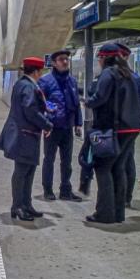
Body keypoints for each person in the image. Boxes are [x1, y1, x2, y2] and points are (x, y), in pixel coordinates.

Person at [84, 43, 140, 224]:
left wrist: (88, 102)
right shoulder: (128, 74)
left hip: (114, 128)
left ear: (104, 57)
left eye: (99, 58)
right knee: (118, 168)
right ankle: (119, 213)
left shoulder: (109, 73)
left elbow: (100, 97)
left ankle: (105, 214)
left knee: (103, 168)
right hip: (132, 128)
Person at [0, 57, 53, 221]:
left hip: (26, 135)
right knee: (22, 172)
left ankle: (26, 205)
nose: (41, 75)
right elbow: (30, 110)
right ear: (36, 71)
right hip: (24, 135)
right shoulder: (28, 87)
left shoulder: (23, 84)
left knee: (28, 171)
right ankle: (18, 206)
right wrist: (47, 125)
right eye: (40, 72)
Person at [38, 50, 83, 202]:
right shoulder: (45, 81)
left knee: (67, 161)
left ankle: (65, 190)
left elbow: (76, 104)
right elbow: (40, 104)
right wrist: (44, 123)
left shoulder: (72, 81)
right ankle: (48, 190)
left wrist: (78, 123)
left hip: (67, 127)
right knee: (49, 159)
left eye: (66, 59)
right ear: (54, 63)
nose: (65, 62)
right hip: (51, 128)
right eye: (61, 59)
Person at [115, 43, 140, 208]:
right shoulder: (136, 78)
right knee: (128, 160)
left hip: (119, 127)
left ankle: (120, 198)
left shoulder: (118, 77)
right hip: (132, 127)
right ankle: (127, 197)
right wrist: (134, 114)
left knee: (118, 162)